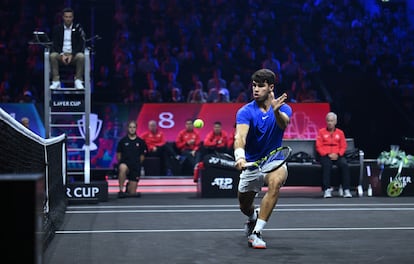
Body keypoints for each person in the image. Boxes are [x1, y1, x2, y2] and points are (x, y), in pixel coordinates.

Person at [233, 68, 292, 249]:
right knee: (244, 205)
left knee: (276, 182)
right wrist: (240, 157)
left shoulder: (284, 108)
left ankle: (256, 232)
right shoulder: (245, 111)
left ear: (271, 87)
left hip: (274, 158)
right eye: (254, 86)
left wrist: (275, 111)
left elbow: (283, 124)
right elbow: (240, 137)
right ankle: (252, 217)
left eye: (260, 86)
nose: (256, 89)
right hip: (251, 162)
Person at [316, 112, 352, 198]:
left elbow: (343, 146)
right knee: (326, 165)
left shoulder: (340, 133)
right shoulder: (321, 132)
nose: (329, 123)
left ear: (335, 122)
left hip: (338, 155)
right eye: (328, 121)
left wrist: (338, 154)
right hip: (326, 155)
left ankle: (346, 189)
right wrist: (327, 154)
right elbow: (318, 146)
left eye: (331, 121)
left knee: (344, 165)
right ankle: (327, 190)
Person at [49, 7, 85, 89]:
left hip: (73, 56)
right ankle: (56, 81)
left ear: (73, 17)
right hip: (61, 55)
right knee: (52, 56)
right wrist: (62, 55)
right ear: (63, 17)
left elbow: (80, 45)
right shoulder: (57, 29)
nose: (68, 19)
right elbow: (55, 45)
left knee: (81, 56)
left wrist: (72, 54)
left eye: (70, 17)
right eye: (66, 17)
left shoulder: (77, 29)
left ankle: (78, 81)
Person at [116, 120, 147, 198]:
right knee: (122, 168)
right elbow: (119, 154)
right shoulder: (123, 141)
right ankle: (120, 190)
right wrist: (121, 163)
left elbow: (142, 156)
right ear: (127, 128)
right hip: (125, 164)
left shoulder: (141, 142)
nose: (132, 129)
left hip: (135, 166)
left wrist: (138, 165)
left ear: (136, 128)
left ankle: (128, 186)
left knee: (132, 193)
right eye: (130, 127)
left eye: (134, 127)